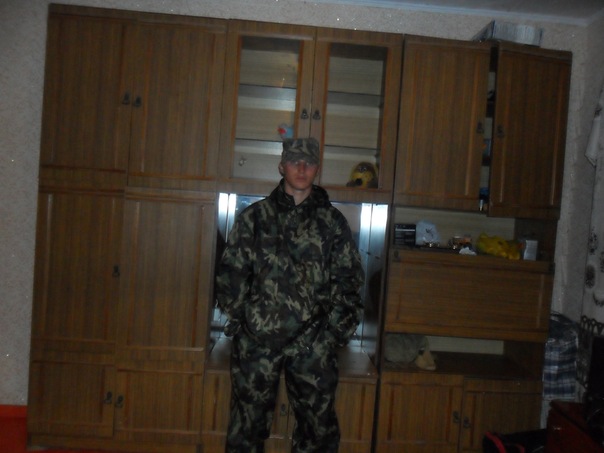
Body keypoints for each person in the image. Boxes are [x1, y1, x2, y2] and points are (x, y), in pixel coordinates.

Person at [215, 137, 365, 453]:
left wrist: (332, 334)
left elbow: (349, 282)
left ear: (317, 169)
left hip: (313, 344)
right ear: (282, 166)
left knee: (318, 432)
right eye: (295, 161)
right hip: (257, 343)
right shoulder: (254, 218)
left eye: (309, 163)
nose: (301, 168)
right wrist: (246, 321)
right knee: (246, 430)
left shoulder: (332, 222)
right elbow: (230, 274)